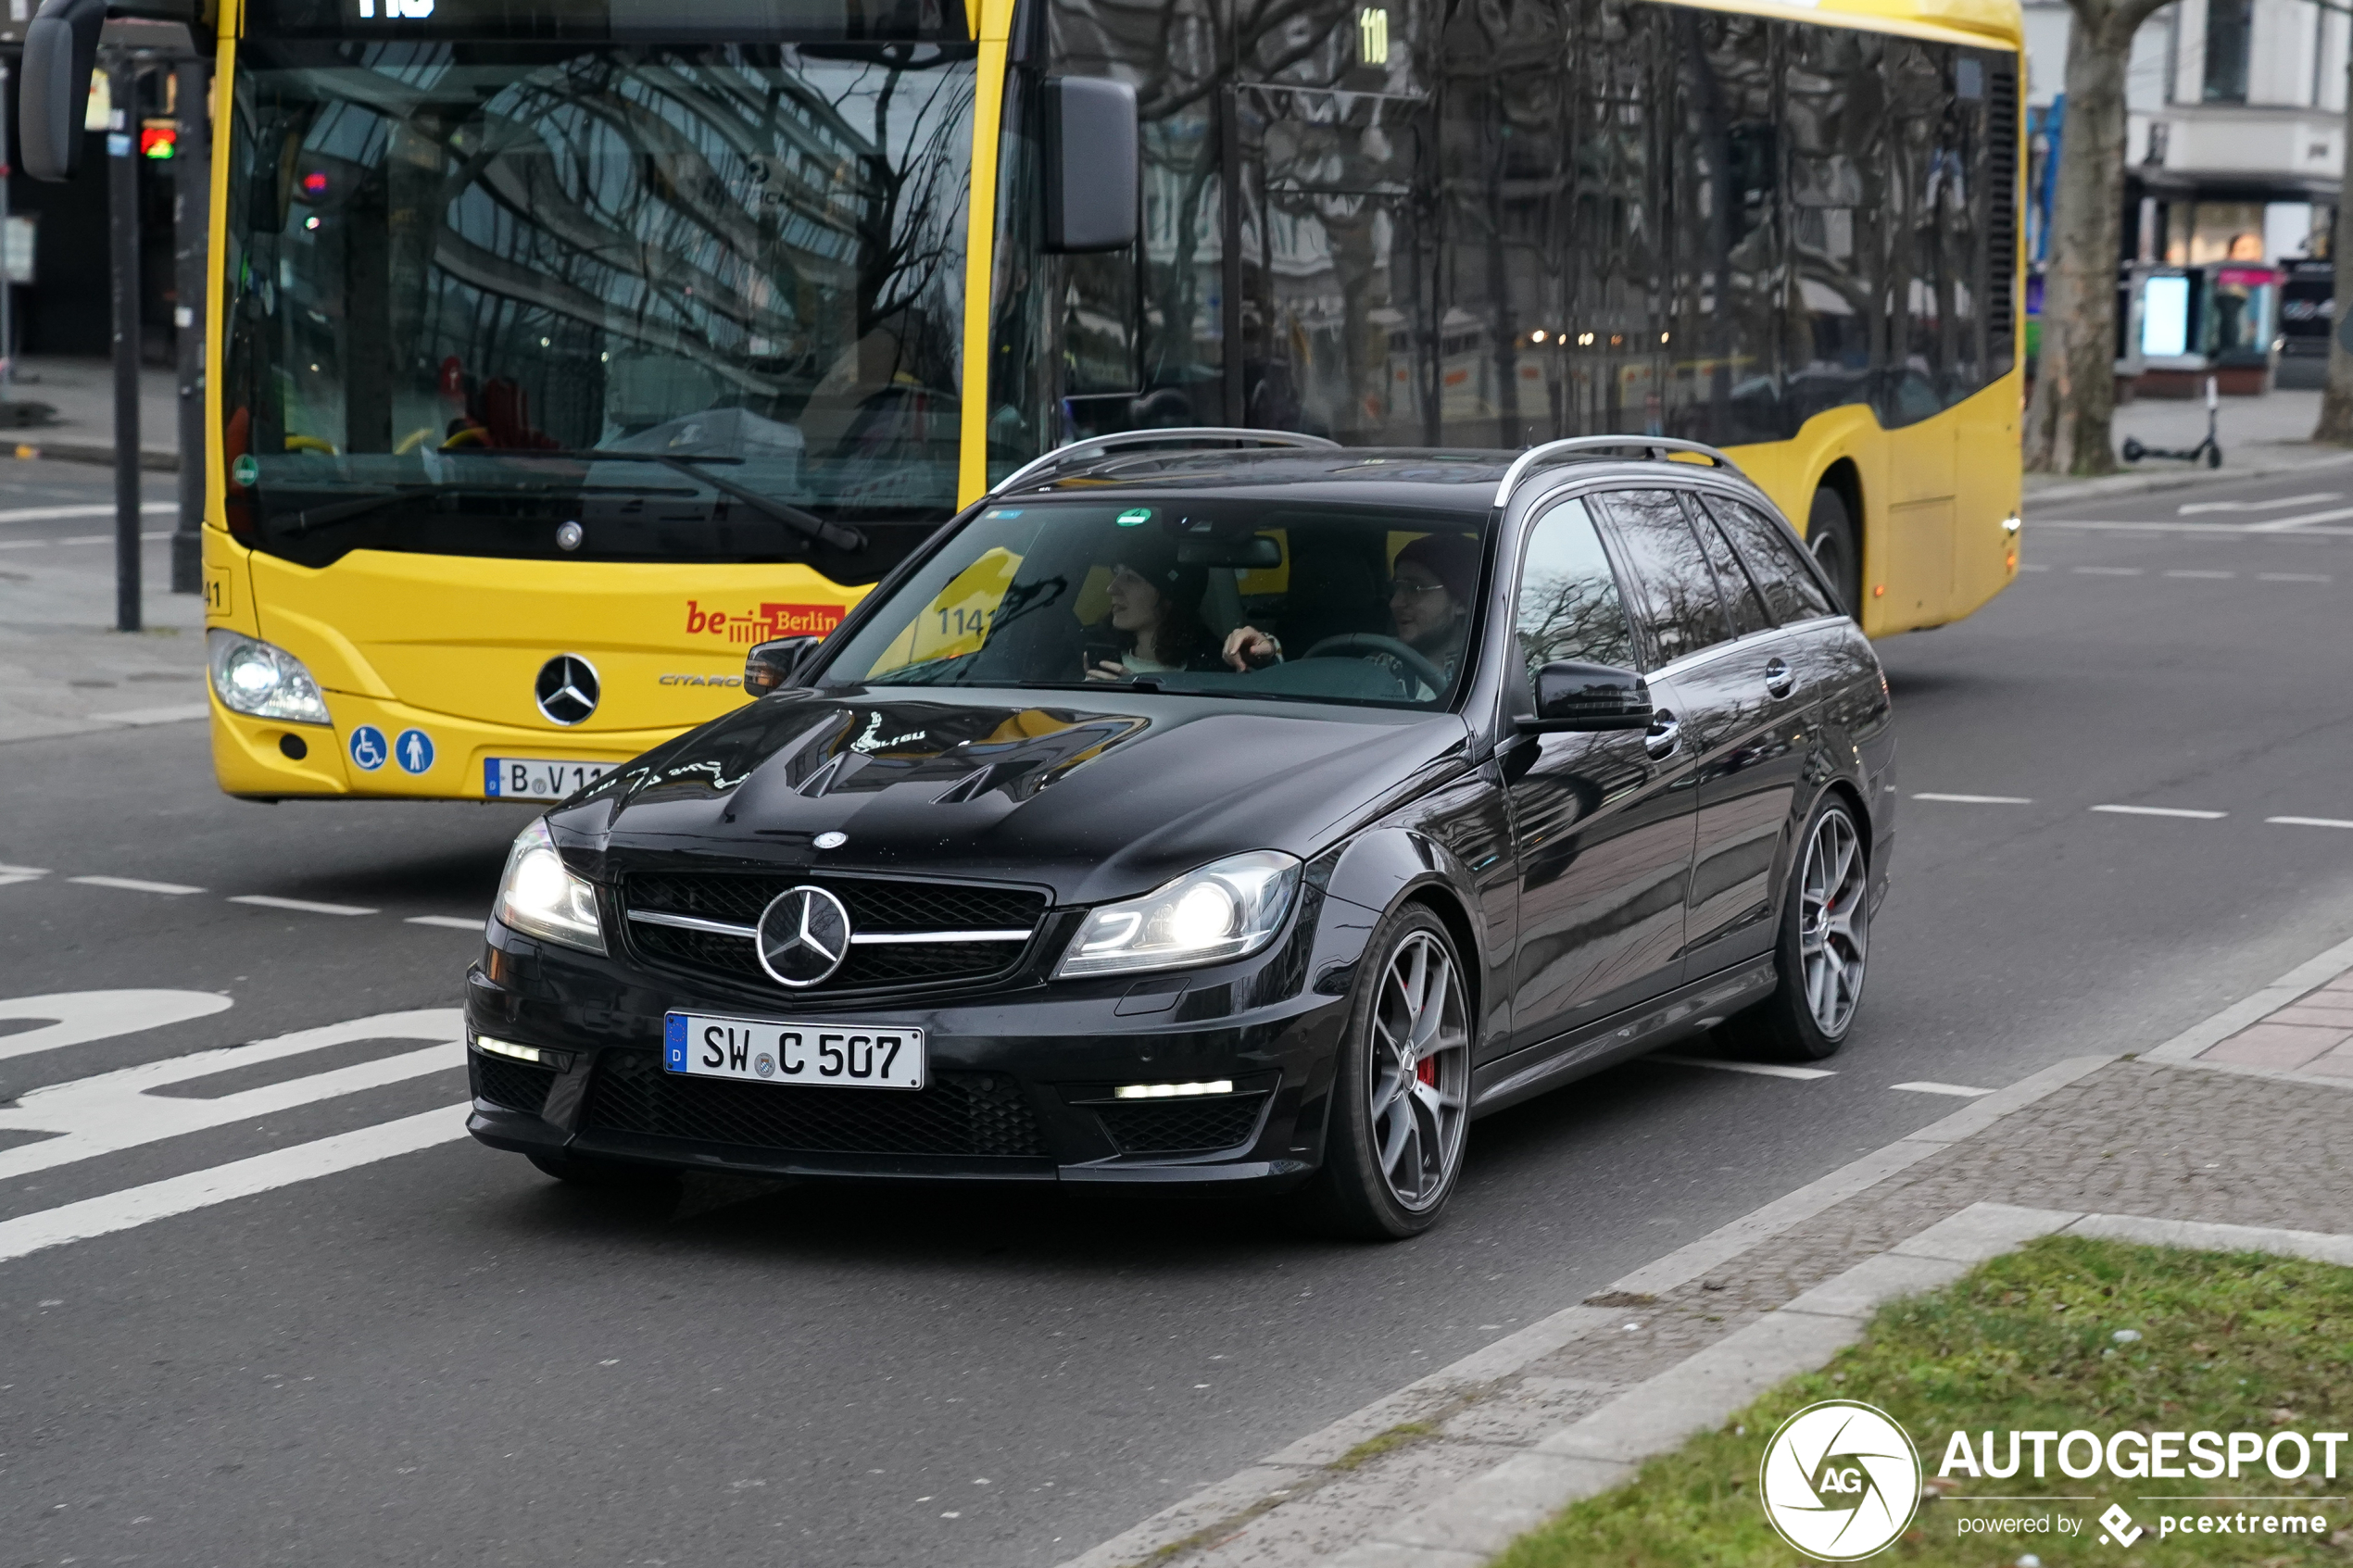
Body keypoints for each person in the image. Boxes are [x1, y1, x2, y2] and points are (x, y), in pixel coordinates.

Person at [1223, 532, 1480, 684]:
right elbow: (1313, 689)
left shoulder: (1494, 671)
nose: (1395, 603)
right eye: (1396, 589)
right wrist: (1263, 655)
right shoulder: (1378, 665)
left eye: (1415, 589)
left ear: (1461, 602)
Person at [1086, 533, 1216, 681]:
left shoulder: (1214, 674)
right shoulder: (1088, 657)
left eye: (1131, 578)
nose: (1111, 588)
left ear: (1169, 598)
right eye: (1116, 573)